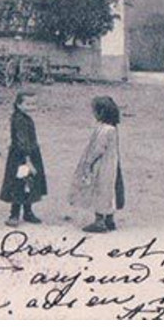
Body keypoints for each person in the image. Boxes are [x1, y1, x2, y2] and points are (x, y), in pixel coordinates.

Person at [69, 95, 125, 233]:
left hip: (102, 165)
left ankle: (100, 221)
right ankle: (109, 219)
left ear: (101, 112)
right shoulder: (112, 128)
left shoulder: (105, 130)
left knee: (101, 190)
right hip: (111, 164)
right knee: (109, 190)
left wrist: (88, 163)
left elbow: (98, 149)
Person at [0, 91, 47, 227]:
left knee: (28, 184)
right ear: (19, 105)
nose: (32, 106)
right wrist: (28, 161)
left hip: (29, 154)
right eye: (28, 104)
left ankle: (28, 212)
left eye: (34, 104)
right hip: (22, 158)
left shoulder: (26, 118)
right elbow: (21, 141)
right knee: (20, 183)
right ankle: (14, 214)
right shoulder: (18, 119)